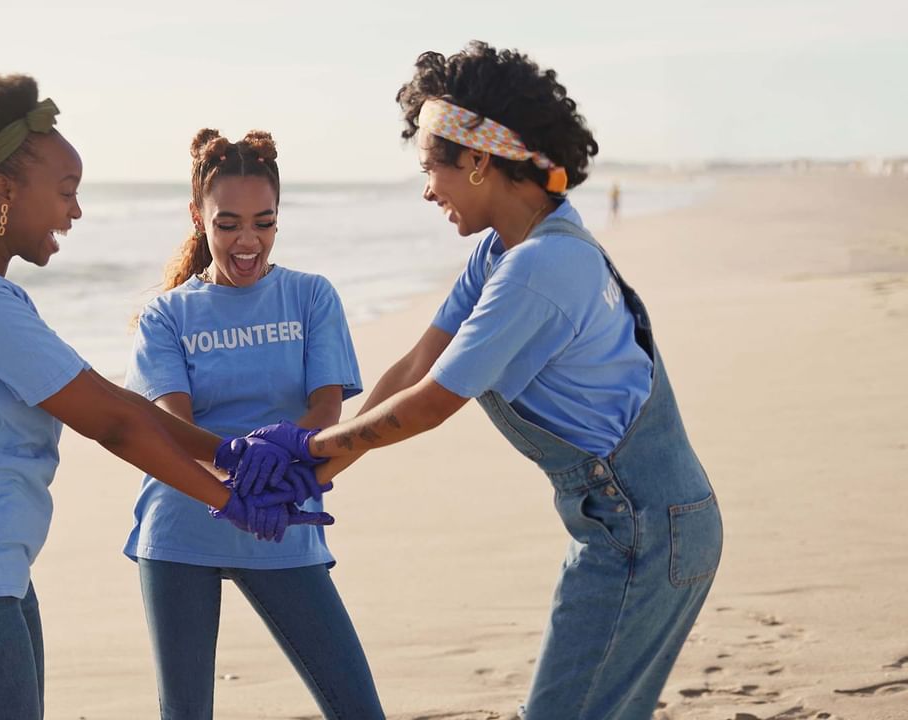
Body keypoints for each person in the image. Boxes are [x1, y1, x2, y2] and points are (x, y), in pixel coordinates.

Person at [240, 43, 723, 720]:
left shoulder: (539, 268)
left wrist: (304, 456)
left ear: (475, 160)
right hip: (638, 524)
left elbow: (432, 404)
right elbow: (413, 368)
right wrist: (312, 467)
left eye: (428, 168)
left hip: (641, 530)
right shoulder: (510, 247)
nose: (426, 189)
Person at [0, 75, 318, 720]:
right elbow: (112, 426)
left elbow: (117, 405)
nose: (74, 212)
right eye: (66, 192)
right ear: (4, 190)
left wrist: (237, 456)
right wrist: (233, 499)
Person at [122, 129, 384, 719]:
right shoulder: (167, 313)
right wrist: (241, 463)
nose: (248, 240)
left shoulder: (311, 297)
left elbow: (325, 411)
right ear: (198, 217)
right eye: (228, 223)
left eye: (264, 223)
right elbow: (170, 427)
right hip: (183, 525)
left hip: (280, 519)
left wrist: (277, 461)